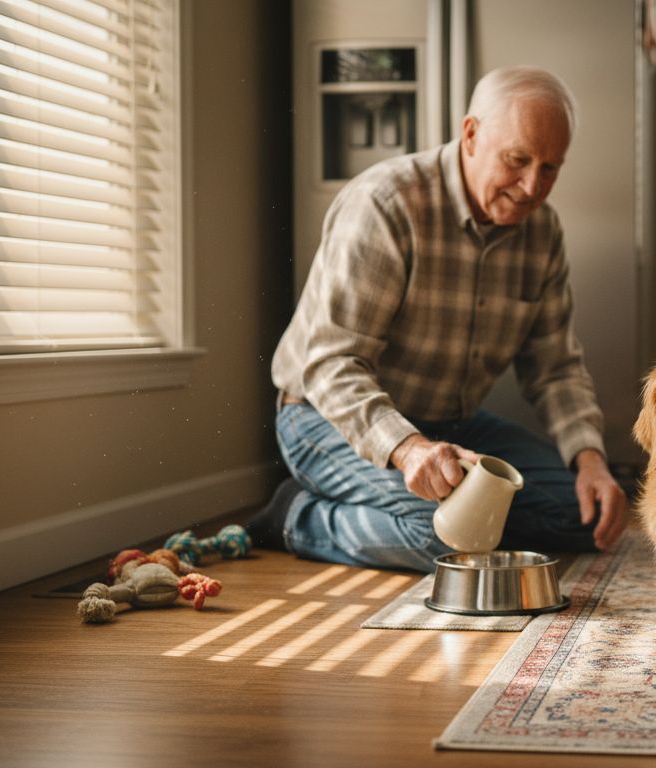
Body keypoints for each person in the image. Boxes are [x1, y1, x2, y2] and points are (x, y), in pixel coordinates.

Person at [251, 66, 628, 571]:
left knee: (586, 514)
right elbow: (330, 365)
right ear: (471, 135)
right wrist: (407, 450)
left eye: (550, 168)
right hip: (325, 417)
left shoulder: (542, 232)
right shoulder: (385, 204)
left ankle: (425, 511)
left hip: (452, 425)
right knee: (449, 541)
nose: (532, 187)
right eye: (517, 160)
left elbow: (555, 367)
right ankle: (296, 515)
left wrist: (591, 461)